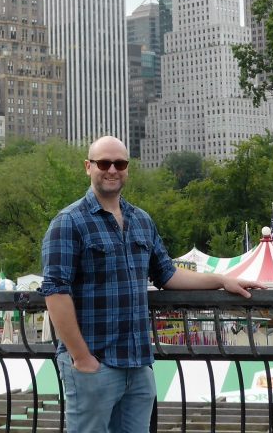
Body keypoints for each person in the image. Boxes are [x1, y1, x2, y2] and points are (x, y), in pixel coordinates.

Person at [41, 135, 260, 433]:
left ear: (128, 168)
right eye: (104, 163)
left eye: (120, 163)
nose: (112, 170)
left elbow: (168, 275)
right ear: (88, 167)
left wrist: (222, 280)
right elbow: (55, 292)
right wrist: (82, 358)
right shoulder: (68, 222)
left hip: (137, 364)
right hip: (95, 363)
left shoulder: (141, 220)